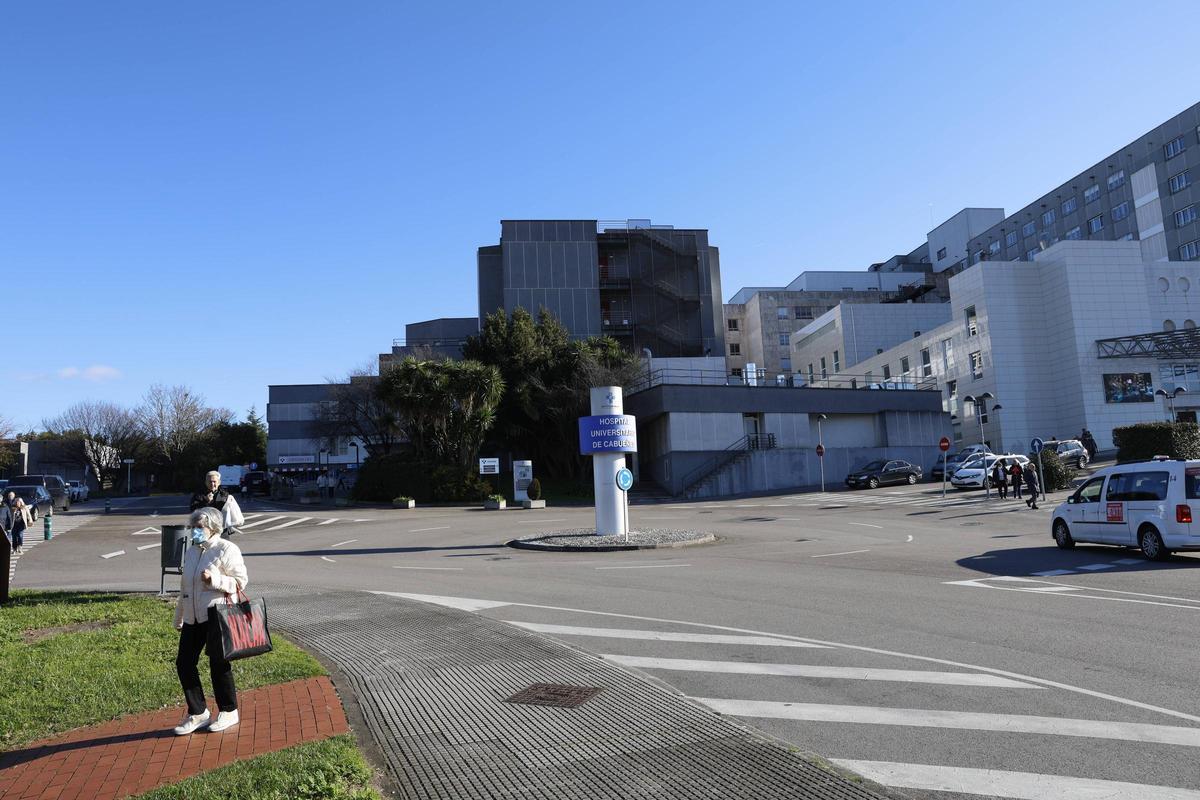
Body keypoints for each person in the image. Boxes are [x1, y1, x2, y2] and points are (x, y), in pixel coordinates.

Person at [172, 506, 248, 736]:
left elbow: (240, 581)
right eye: (192, 527)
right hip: (193, 617)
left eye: (199, 527)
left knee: (218, 663)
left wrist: (214, 580)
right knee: (184, 663)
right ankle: (198, 712)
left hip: (216, 614)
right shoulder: (193, 551)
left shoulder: (227, 549)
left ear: (213, 528)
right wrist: (180, 616)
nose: (194, 531)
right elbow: (186, 587)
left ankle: (229, 710)